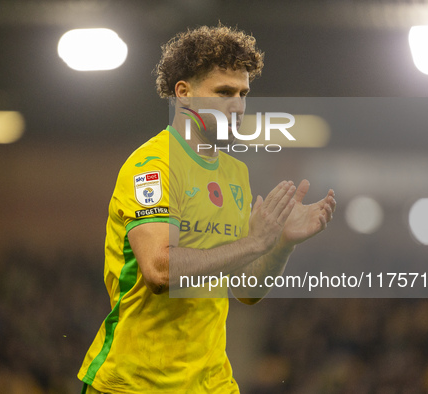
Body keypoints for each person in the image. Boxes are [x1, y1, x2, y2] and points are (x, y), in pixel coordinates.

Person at [78, 24, 336, 393]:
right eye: (224, 92)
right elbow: (159, 271)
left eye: (243, 93)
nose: (238, 106)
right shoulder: (153, 165)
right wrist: (254, 242)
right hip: (135, 382)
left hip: (211, 382)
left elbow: (246, 289)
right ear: (183, 93)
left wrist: (281, 243)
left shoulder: (235, 173)